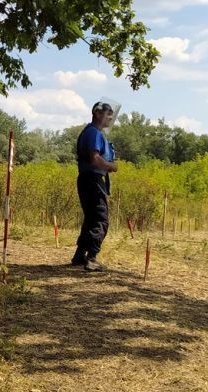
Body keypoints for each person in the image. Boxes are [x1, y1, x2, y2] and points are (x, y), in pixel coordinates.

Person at [71, 102, 118, 271]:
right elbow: (95, 158)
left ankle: (79, 255)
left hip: (88, 179)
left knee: (91, 219)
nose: (110, 118)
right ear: (97, 114)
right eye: (108, 114)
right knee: (100, 219)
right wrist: (112, 166)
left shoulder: (90, 132)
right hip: (93, 180)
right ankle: (92, 258)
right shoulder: (93, 133)